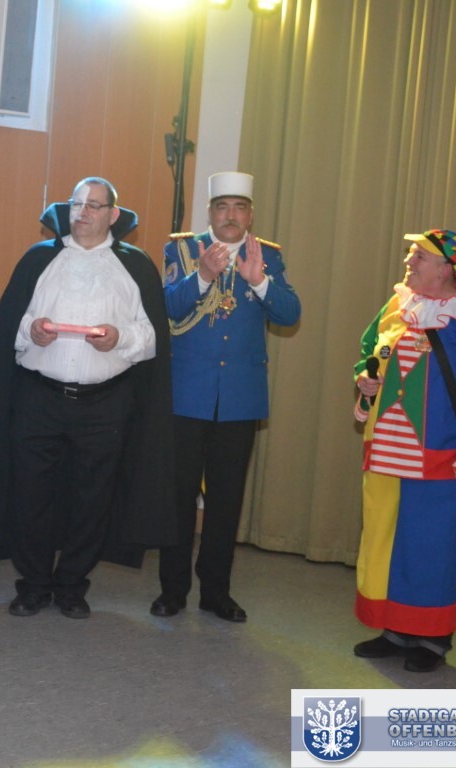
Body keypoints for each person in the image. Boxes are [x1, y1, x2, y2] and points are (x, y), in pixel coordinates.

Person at [0, 177, 174, 619]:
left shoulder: (134, 267)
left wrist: (119, 338)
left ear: (113, 215)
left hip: (105, 403)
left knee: (93, 498)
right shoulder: (40, 259)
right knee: (29, 494)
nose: (83, 212)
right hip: (40, 398)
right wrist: (32, 330)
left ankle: (72, 584)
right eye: (77, 204)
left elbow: (152, 337)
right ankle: (34, 584)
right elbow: (12, 326)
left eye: (94, 205)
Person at [151, 172, 300, 624]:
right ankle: (173, 589)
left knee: (227, 500)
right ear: (210, 213)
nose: (230, 216)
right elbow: (165, 308)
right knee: (178, 497)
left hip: (239, 397)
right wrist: (202, 275)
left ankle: (216, 592)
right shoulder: (182, 250)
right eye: (222, 207)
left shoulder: (267, 255)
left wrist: (260, 282)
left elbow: (290, 313)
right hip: (187, 394)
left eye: (239, 208)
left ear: (250, 215)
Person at [351, 229, 456, 673]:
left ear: (445, 269)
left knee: (431, 546)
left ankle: (432, 638)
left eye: (418, 256)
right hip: (387, 449)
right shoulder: (397, 305)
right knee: (386, 541)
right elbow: (369, 351)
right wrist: (365, 378)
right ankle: (395, 629)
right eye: (410, 254)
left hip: (440, 452)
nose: (408, 262)